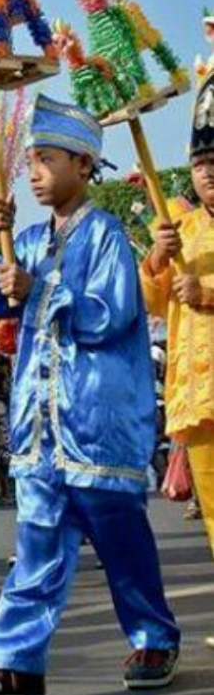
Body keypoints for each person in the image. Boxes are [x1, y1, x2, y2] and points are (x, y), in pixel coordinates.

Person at [0, 95, 181, 695]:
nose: (34, 172)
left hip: (96, 417)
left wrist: (40, 289)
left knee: (121, 539)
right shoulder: (27, 238)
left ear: (83, 165)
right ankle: (17, 662)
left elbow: (109, 315)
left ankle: (154, 636)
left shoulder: (104, 233)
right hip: (40, 423)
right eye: (30, 161)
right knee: (38, 543)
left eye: (46, 159)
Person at [140, 82, 214, 650]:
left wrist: (208, 289)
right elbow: (150, 300)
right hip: (195, 392)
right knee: (213, 511)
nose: (207, 173)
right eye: (199, 163)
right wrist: (158, 258)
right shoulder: (181, 227)